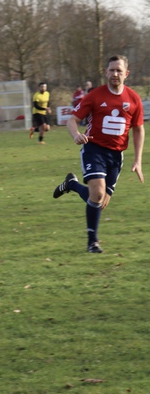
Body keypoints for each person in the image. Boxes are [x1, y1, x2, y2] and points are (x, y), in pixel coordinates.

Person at [53, 55, 145, 253]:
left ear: (126, 74)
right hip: (94, 149)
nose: (115, 74)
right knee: (97, 193)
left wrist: (138, 159)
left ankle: (71, 185)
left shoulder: (134, 98)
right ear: (105, 72)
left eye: (119, 70)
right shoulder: (95, 96)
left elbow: (138, 129)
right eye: (112, 70)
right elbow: (72, 120)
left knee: (99, 201)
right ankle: (92, 243)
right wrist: (76, 135)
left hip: (116, 156)